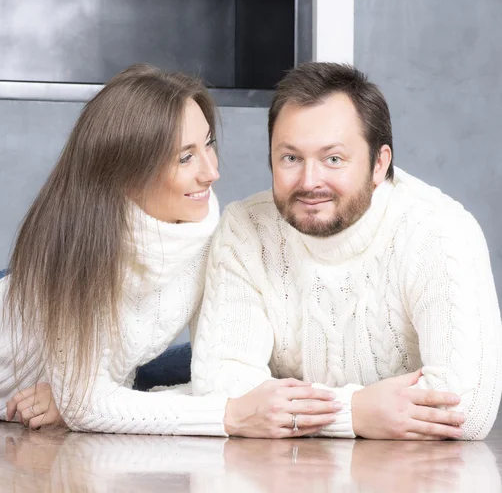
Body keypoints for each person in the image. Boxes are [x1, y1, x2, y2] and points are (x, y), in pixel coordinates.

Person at [0, 63, 338, 436]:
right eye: (185, 157)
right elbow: (86, 406)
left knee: (242, 365)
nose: (211, 172)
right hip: (17, 347)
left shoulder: (208, 230)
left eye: (208, 144)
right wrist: (230, 416)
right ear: (128, 172)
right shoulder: (82, 245)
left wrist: (83, 399)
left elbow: (223, 379)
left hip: (108, 374)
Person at [192, 62, 502, 440]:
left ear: (379, 164)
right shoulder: (246, 228)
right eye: (290, 158)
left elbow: (465, 409)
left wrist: (291, 411)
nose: (309, 182)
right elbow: (222, 393)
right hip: (286, 473)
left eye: (333, 159)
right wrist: (354, 413)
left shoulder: (439, 232)